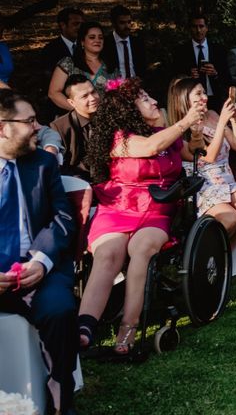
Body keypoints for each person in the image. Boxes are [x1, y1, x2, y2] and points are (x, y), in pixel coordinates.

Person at [77, 78, 205, 354]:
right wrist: (183, 123)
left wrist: (193, 132)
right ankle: (84, 326)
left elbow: (190, 152)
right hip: (118, 207)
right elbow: (149, 148)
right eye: (145, 99)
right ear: (129, 111)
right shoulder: (119, 139)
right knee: (108, 254)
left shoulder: (164, 134)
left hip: (157, 209)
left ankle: (128, 327)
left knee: (141, 249)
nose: (154, 101)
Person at [0, 89, 78, 414]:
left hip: (39, 269)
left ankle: (60, 391)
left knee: (60, 308)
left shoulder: (43, 164)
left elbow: (62, 217)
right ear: (3, 128)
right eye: (30, 121)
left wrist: (42, 261)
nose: (37, 128)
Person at [167, 78, 236, 247]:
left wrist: (234, 120)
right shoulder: (179, 128)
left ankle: (227, 254)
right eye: (198, 94)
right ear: (184, 99)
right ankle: (203, 253)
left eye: (204, 92)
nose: (205, 97)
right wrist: (223, 121)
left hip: (226, 179)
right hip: (202, 185)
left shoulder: (213, 115)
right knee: (231, 218)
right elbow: (209, 157)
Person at [48, 21, 117, 112]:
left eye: (101, 37)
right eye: (92, 37)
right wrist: (80, 112)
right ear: (82, 42)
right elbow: (53, 93)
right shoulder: (68, 63)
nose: (97, 40)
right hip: (76, 119)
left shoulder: (110, 66)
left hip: (105, 119)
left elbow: (116, 96)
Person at [171, 14, 230, 112]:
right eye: (194, 27)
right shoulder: (181, 51)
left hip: (215, 98)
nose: (198, 30)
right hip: (191, 99)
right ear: (190, 29)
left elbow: (227, 78)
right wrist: (188, 76)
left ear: (207, 28)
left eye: (201, 26)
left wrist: (215, 73)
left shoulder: (218, 50)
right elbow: (175, 76)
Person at [39, 7, 85, 123]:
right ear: (63, 25)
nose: (80, 28)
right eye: (75, 24)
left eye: (81, 24)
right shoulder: (50, 50)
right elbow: (48, 82)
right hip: (60, 108)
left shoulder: (85, 46)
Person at [50, 74, 100, 181]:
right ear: (72, 102)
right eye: (84, 96)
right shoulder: (60, 127)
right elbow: (60, 167)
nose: (92, 98)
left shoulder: (109, 117)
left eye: (93, 92)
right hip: (77, 183)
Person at [102, 5, 147, 80]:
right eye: (122, 23)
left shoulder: (138, 42)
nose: (127, 26)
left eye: (129, 22)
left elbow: (142, 68)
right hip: (114, 86)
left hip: (136, 85)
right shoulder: (106, 43)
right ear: (113, 23)